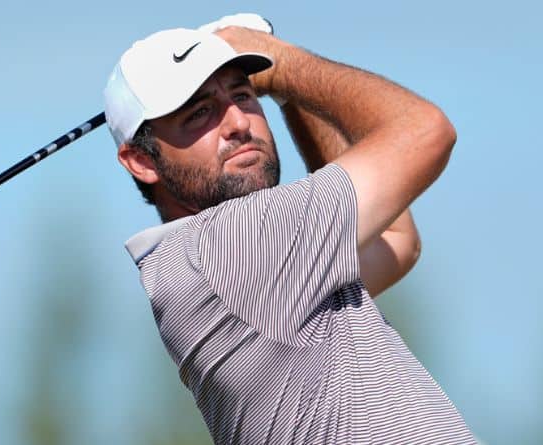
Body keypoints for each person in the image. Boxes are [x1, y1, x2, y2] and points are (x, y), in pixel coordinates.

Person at [103, 14, 477, 444]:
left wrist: (286, 92)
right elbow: (426, 131)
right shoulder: (228, 246)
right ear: (141, 161)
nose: (239, 123)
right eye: (200, 113)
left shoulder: (229, 263)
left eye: (244, 95)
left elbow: (396, 242)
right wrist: (283, 66)